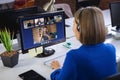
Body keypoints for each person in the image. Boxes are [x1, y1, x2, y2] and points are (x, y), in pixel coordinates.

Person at [50, 7, 117, 80]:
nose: (73, 28)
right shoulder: (111, 49)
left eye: (74, 23)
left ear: (79, 28)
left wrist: (57, 69)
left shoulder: (74, 56)